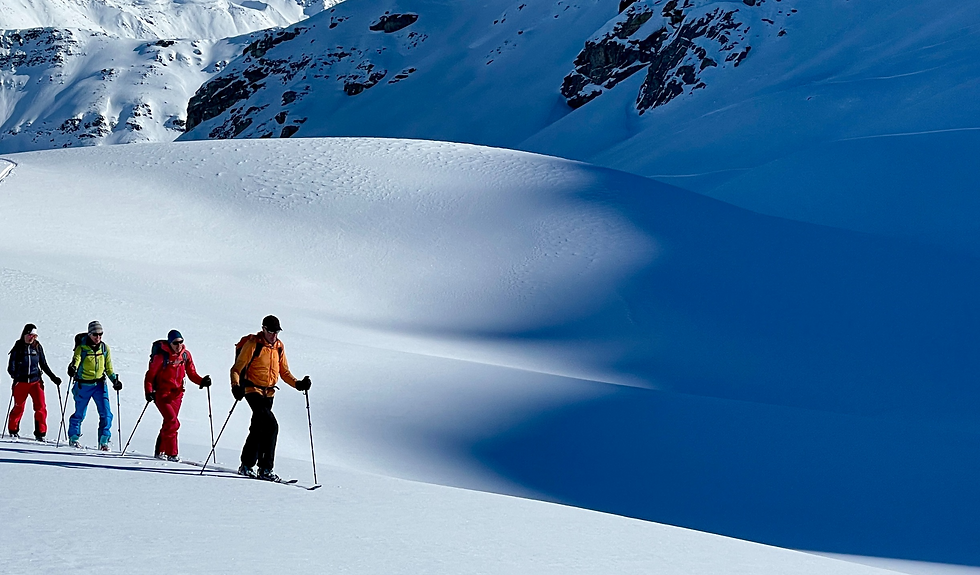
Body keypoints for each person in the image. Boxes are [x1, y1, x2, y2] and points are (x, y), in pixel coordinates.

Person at [230, 315, 311, 482]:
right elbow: (236, 369)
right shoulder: (254, 344)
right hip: (252, 390)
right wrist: (235, 387)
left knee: (259, 427)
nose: (275, 335)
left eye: (277, 332)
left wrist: (298, 384)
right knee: (271, 426)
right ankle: (266, 468)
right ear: (264, 329)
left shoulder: (279, 347)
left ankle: (246, 465)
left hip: (269, 393)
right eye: (272, 331)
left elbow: (284, 372)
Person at [144, 330, 211, 461]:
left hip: (177, 395)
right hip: (162, 394)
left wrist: (202, 381)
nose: (178, 345)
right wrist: (148, 391)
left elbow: (191, 373)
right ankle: (172, 453)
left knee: (169, 423)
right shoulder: (161, 357)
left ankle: (160, 451)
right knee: (173, 422)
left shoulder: (185, 355)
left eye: (181, 342)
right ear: (170, 343)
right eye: (175, 343)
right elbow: (150, 376)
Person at [67, 320, 121, 450]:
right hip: (83, 385)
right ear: (89, 334)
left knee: (106, 413)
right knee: (80, 413)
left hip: (100, 385)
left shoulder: (104, 348)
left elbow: (108, 369)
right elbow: (76, 360)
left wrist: (115, 380)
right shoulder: (82, 348)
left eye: (100, 334)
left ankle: (104, 441)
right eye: (95, 334)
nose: (98, 337)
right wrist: (73, 367)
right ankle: (73, 438)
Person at [6, 324, 61, 440]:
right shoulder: (18, 347)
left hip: (36, 382)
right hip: (21, 382)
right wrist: (15, 375)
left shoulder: (37, 347)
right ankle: (13, 430)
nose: (32, 338)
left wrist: (53, 377)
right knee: (19, 407)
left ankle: (40, 433)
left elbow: (43, 364)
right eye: (30, 335)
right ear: (25, 334)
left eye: (35, 336)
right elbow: (11, 366)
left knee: (41, 407)